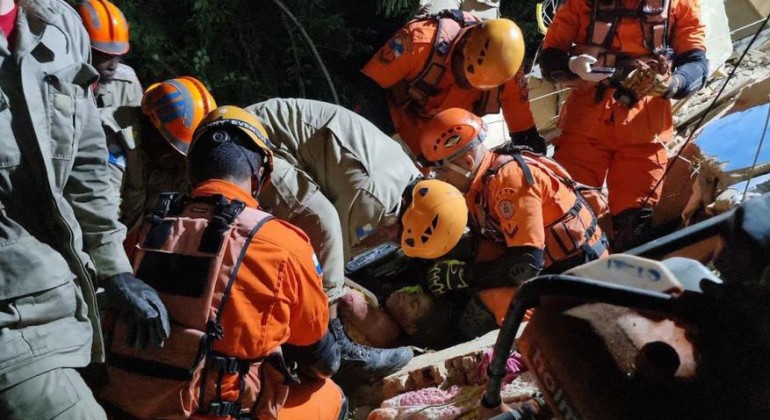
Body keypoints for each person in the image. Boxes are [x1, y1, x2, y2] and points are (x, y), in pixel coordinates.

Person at [101, 106, 346, 419]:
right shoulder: (284, 245)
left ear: (191, 171)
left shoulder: (144, 230)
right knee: (329, 394)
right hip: (213, 412)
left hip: (129, 408)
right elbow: (317, 353)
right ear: (260, 177)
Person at [0, 0, 169, 418]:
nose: (110, 67)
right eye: (104, 58)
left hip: (66, 298)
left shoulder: (58, 25)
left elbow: (87, 164)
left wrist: (114, 267)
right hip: (14, 316)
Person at [245, 98, 419, 376]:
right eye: (400, 238)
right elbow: (329, 255)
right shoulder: (374, 196)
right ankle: (333, 343)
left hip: (268, 139)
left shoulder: (409, 181)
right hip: (254, 144)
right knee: (320, 222)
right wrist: (346, 297)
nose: (392, 240)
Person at [538, 0, 708, 251]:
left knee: (634, 226)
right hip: (585, 125)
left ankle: (620, 279)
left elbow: (696, 63)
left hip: (645, 126)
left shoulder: (680, 5)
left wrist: (672, 85)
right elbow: (550, 57)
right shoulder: (580, 3)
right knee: (566, 214)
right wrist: (571, 67)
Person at [418, 108, 609, 323]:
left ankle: (529, 333)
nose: (440, 180)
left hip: (581, 272)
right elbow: (487, 240)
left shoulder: (509, 181)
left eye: (441, 171)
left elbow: (526, 265)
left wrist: (466, 276)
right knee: (481, 263)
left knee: (493, 294)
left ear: (467, 162)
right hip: (554, 265)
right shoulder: (480, 184)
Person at [362, 13, 545, 157]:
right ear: (463, 44)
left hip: (444, 142)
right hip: (398, 120)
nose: (467, 86)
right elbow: (367, 90)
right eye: (466, 77)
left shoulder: (507, 75)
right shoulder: (420, 41)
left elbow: (525, 134)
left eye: (477, 86)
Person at [121, 76, 216, 231]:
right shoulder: (110, 139)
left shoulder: (176, 167)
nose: (177, 161)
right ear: (151, 125)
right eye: (172, 150)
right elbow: (101, 224)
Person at [75, 0, 143, 203]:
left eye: (117, 57)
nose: (112, 65)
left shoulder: (126, 81)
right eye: (102, 55)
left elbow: (137, 148)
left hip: (113, 182)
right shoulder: (56, 81)